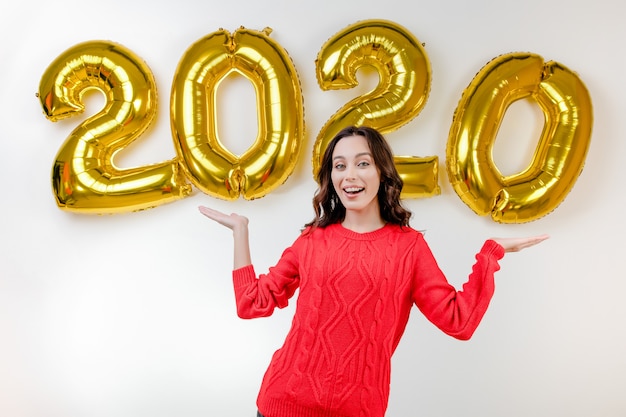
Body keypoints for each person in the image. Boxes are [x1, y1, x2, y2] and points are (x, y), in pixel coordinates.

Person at [199, 126, 548, 417]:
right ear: (330, 176)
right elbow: (251, 303)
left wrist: (491, 254)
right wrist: (240, 231)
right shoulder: (313, 240)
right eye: (339, 165)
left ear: (382, 171)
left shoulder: (408, 248)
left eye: (362, 163)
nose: (349, 175)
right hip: (281, 405)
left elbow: (459, 320)